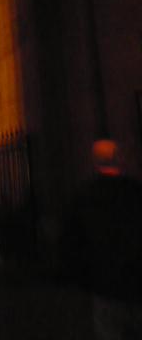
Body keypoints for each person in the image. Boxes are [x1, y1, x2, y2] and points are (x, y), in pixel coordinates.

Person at [63, 139, 142, 339]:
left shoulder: (86, 195)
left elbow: (72, 240)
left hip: (104, 281)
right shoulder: (135, 191)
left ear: (94, 162)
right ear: (120, 159)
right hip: (135, 276)